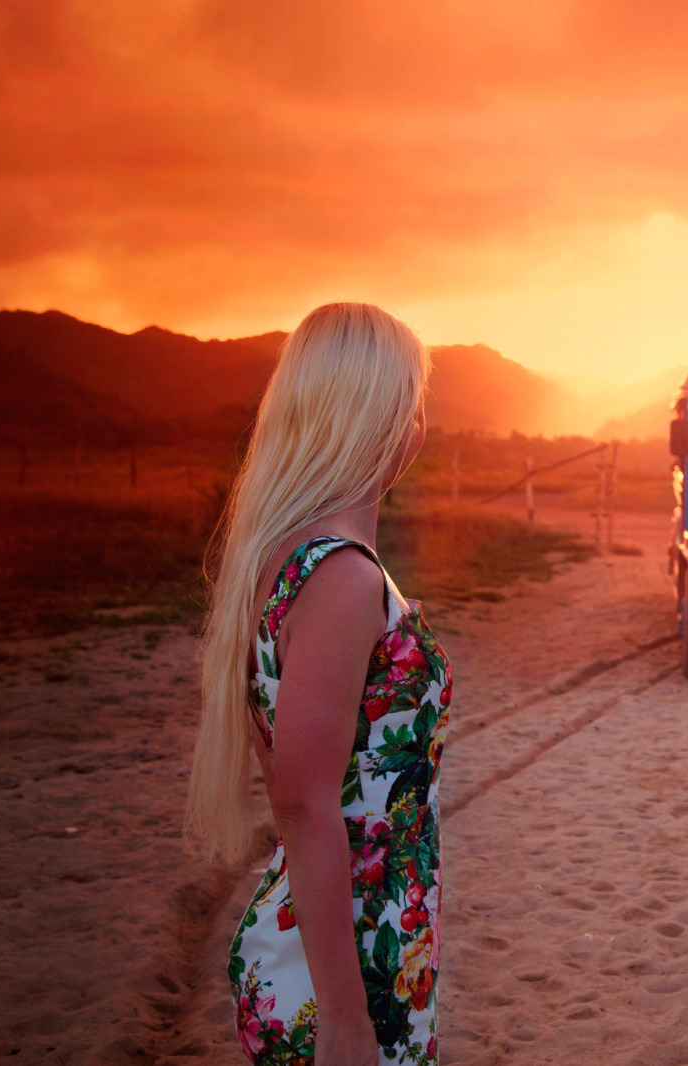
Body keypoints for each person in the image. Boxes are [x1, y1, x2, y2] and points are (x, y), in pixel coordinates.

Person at [185, 302, 452, 1066]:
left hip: (359, 935)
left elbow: (293, 780)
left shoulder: (292, 556)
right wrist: (343, 1018)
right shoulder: (339, 575)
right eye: (414, 400)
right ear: (385, 416)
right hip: (344, 959)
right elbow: (303, 806)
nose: (418, 422)